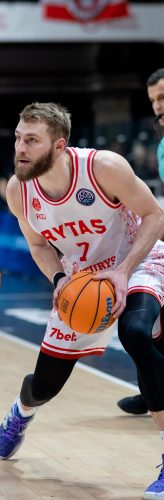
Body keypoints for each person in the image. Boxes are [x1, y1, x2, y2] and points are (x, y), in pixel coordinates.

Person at [0, 102, 164, 499]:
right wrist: (58, 279)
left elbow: (155, 216)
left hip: (135, 262)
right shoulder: (19, 190)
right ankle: (22, 411)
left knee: (137, 333)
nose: (20, 147)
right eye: (19, 138)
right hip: (82, 281)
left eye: (31, 140)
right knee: (46, 385)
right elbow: (38, 244)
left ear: (58, 145)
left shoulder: (103, 168)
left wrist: (123, 272)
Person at [117, 67, 164, 416]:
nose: (158, 106)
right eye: (153, 101)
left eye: (163, 97)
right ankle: (151, 390)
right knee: (147, 321)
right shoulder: (162, 145)